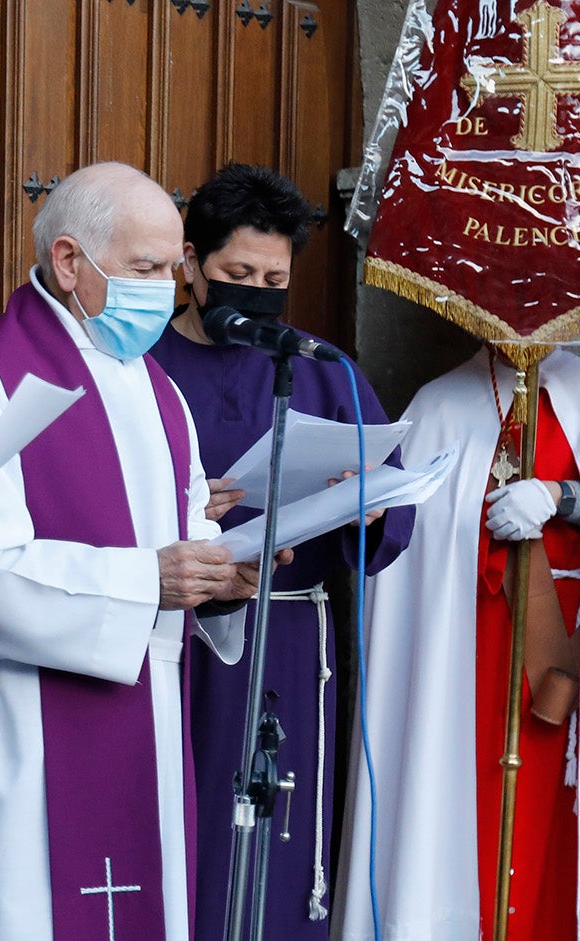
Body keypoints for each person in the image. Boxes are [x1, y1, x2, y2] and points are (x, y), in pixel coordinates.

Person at [0, 161, 284, 940]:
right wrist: (148, 579)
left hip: (142, 716)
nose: (166, 290)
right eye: (143, 268)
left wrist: (222, 572)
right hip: (17, 729)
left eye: (173, 269)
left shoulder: (153, 387)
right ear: (69, 261)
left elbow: (181, 529)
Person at [334, 347, 580, 940]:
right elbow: (410, 542)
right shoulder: (438, 407)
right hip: (465, 654)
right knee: (464, 816)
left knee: (569, 831)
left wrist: (564, 499)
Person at [148, 163, 415, 937]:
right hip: (175, 636)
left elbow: (388, 506)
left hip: (293, 637)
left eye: (274, 277)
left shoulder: (320, 369)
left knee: (279, 828)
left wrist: (361, 504)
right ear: (191, 264)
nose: (258, 290)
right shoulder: (143, 367)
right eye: (238, 273)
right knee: (185, 822)